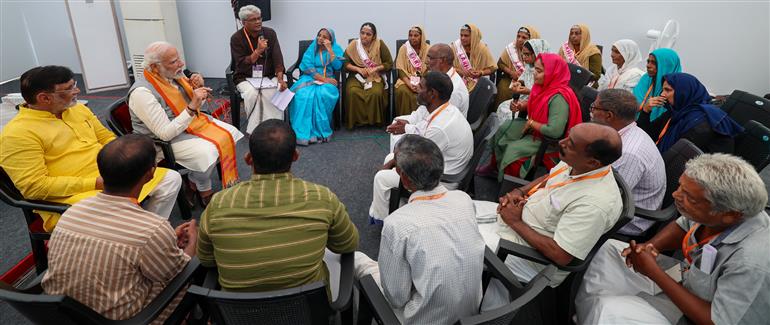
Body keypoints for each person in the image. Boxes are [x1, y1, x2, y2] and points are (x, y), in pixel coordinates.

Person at [577, 153, 770, 325]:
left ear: (730, 214)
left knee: (610, 311)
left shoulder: (752, 262)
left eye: (688, 197)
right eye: (680, 187)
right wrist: (649, 247)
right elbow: (684, 225)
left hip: (697, 315)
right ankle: (595, 313)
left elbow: (716, 320)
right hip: (686, 280)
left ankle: (605, 311)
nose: (675, 195)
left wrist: (654, 273)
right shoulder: (719, 214)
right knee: (610, 250)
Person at [0, 66, 181, 231]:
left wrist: (128, 161)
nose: (77, 91)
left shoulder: (77, 109)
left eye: (75, 84)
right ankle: (139, 234)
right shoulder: (17, 134)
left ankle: (145, 232)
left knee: (170, 179)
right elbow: (35, 188)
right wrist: (97, 182)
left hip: (111, 178)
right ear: (44, 98)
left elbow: (106, 138)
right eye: (69, 88)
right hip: (72, 197)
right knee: (124, 212)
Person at [42, 134, 196, 324]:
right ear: (151, 173)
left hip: (63, 314)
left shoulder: (72, 212)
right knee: (197, 267)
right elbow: (177, 272)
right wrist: (194, 244)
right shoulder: (152, 228)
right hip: (127, 320)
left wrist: (166, 240)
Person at [197, 119, 359, 292]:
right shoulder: (322, 198)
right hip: (308, 312)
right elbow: (347, 244)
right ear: (295, 156)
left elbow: (207, 259)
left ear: (248, 159)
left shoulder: (218, 204)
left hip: (237, 315)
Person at [355, 135, 485, 324]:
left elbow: (396, 298)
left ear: (404, 179)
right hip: (469, 314)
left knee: (357, 260)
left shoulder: (397, 224)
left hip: (422, 319)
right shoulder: (464, 200)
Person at [490, 123, 623, 288]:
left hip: (527, 258)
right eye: (568, 135)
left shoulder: (595, 204)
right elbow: (550, 176)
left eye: (571, 143)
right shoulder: (577, 161)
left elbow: (560, 255)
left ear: (592, 163)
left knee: (458, 246)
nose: (562, 142)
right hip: (514, 226)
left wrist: (515, 222)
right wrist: (520, 191)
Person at [129, 41, 244, 206]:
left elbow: (196, 107)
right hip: (162, 143)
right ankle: (203, 187)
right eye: (174, 62)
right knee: (207, 152)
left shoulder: (173, 77)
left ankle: (192, 182)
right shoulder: (142, 93)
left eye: (179, 59)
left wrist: (199, 89)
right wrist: (191, 106)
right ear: (155, 67)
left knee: (230, 134)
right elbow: (165, 133)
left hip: (188, 126)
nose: (181, 64)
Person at [371, 71, 473, 222]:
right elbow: (423, 131)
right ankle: (399, 206)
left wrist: (388, 165)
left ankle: (387, 221)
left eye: (421, 86)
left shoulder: (439, 128)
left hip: (444, 180)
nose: (417, 88)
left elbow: (418, 159)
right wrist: (393, 158)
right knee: (391, 157)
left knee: (381, 178)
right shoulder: (446, 110)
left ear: (432, 94)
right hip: (444, 165)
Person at [476, 53, 583, 181]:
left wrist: (531, 123)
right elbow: (540, 103)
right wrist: (522, 106)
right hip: (535, 128)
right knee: (502, 129)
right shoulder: (544, 86)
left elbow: (555, 131)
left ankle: (509, 183)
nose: (534, 74)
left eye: (539, 71)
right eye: (534, 69)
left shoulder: (559, 98)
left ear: (552, 73)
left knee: (513, 150)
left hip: (547, 141)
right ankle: (494, 166)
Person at [591, 89, 666, 235]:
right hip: (616, 201)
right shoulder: (625, 132)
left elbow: (607, 200)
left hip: (629, 220)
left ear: (608, 115)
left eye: (594, 108)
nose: (591, 112)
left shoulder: (628, 153)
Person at [637, 73, 743, 154]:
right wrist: (646, 111)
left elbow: (676, 156)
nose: (662, 94)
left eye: (667, 90)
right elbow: (647, 135)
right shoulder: (678, 111)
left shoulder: (700, 122)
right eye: (663, 90)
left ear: (683, 92)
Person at [230, 5, 287, 133]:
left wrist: (280, 78)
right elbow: (240, 64)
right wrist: (258, 51)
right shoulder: (236, 38)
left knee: (275, 89)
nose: (258, 21)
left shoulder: (269, 33)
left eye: (259, 18)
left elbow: (278, 58)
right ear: (244, 22)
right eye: (254, 19)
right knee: (252, 94)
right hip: (245, 77)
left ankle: (275, 127)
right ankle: (256, 130)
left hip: (268, 75)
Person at [288, 28, 344, 146]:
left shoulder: (336, 48)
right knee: (302, 95)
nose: (321, 38)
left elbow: (338, 66)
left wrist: (330, 50)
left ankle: (320, 131)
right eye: (319, 35)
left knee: (323, 94)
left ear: (330, 40)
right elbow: (307, 66)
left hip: (329, 79)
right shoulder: (312, 48)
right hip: (310, 77)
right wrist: (322, 79)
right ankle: (303, 132)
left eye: (325, 37)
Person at [344, 22, 393, 129]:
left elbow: (389, 63)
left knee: (375, 93)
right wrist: (358, 69)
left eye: (368, 34)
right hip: (356, 76)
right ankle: (355, 121)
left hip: (375, 76)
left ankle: (374, 121)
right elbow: (345, 63)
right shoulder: (354, 45)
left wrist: (375, 68)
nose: (364, 36)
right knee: (352, 92)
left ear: (374, 36)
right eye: (362, 33)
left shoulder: (380, 44)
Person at [494, 39, 551, 122]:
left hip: (538, 104)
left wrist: (529, 91)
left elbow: (546, 94)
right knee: (502, 107)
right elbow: (523, 79)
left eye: (527, 54)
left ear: (537, 53)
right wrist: (518, 84)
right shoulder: (529, 66)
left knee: (514, 115)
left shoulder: (547, 71)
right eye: (523, 54)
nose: (524, 57)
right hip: (524, 99)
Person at [633, 47, 681, 126]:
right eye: (648, 61)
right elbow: (633, 104)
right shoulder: (646, 78)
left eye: (654, 63)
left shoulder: (678, 87)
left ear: (667, 65)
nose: (648, 65)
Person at [494, 25, 540, 108]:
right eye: (518, 36)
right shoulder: (511, 48)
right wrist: (511, 72)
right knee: (503, 88)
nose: (519, 40)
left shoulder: (539, 55)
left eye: (524, 37)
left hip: (531, 89)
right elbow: (500, 63)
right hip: (511, 80)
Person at [393, 25, 430, 116]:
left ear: (422, 37)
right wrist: (409, 84)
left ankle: (422, 121)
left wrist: (421, 83)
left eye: (416, 35)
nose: (412, 38)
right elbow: (400, 69)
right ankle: (403, 119)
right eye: (410, 35)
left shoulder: (428, 49)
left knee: (426, 92)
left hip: (424, 80)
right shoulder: (404, 48)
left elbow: (430, 68)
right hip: (406, 79)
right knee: (402, 91)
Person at [450, 24, 497, 92]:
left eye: (466, 36)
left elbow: (493, 68)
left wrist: (481, 72)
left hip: (477, 85)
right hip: (457, 84)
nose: (462, 38)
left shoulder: (482, 49)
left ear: (473, 36)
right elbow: (447, 66)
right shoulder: (454, 48)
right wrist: (461, 72)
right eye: (461, 35)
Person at [426, 43, 469, 116]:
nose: (426, 62)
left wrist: (409, 127)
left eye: (431, 58)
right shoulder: (442, 79)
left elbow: (441, 118)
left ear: (442, 60)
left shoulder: (453, 91)